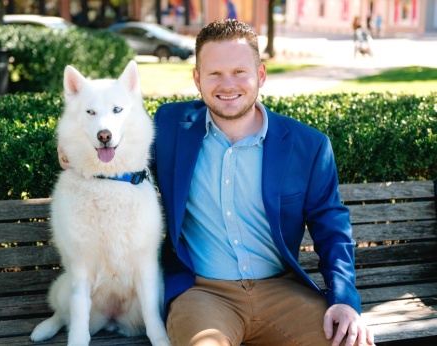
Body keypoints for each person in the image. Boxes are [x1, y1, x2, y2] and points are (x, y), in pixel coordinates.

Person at [59, 19, 374, 346]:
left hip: (282, 292)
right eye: (214, 74)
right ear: (197, 79)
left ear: (261, 75)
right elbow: (116, 142)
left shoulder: (308, 146)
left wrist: (344, 300)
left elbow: (332, 227)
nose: (227, 85)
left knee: (351, 343)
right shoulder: (170, 126)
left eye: (240, 72)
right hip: (202, 294)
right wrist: (71, 151)